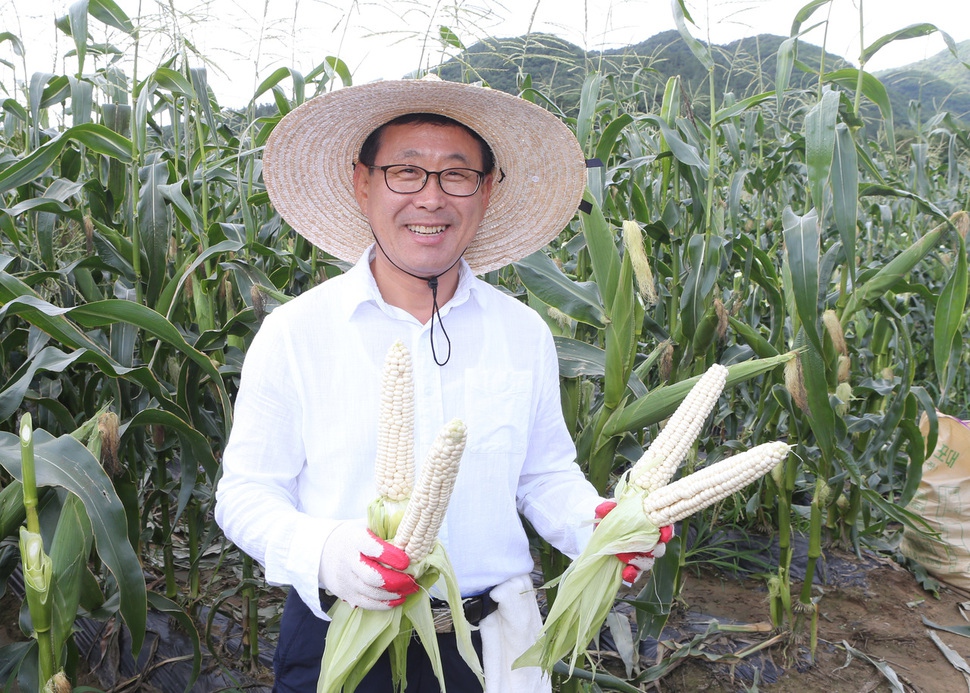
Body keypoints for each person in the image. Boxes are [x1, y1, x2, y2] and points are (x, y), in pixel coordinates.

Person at [215, 76, 653, 692]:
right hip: (341, 639)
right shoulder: (296, 333)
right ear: (362, 182)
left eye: (456, 175)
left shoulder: (521, 332)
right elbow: (246, 496)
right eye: (406, 172)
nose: (430, 198)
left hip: (490, 644)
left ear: (487, 190)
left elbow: (543, 475)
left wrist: (601, 527)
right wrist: (330, 552)